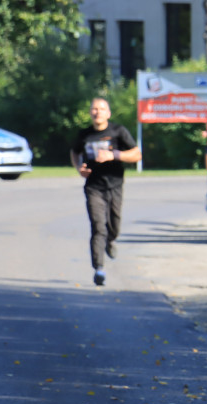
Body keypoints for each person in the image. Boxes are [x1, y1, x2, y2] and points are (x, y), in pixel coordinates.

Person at [70, 97, 142, 287]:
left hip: (115, 185)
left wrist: (114, 155)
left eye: (101, 109)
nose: (97, 112)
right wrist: (79, 168)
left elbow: (137, 154)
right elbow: (74, 152)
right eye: (94, 109)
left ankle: (111, 240)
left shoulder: (118, 132)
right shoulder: (84, 134)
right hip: (93, 187)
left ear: (108, 113)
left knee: (114, 224)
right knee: (98, 226)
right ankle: (99, 268)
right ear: (90, 113)